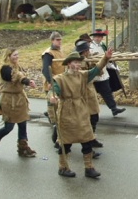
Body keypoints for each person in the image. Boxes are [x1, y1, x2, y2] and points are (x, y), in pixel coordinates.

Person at [50, 49, 113, 178]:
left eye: (79, 63)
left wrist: (105, 58)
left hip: (82, 111)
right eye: (75, 62)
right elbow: (54, 90)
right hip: (67, 112)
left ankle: (89, 168)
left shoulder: (83, 75)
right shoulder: (60, 78)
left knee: (87, 139)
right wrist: (53, 97)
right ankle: (63, 167)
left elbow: (96, 70)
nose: (78, 65)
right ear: (69, 64)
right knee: (66, 142)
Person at [0, 48, 37, 157]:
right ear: (8, 56)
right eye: (14, 55)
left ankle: (23, 148)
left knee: (22, 123)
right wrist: (27, 81)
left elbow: (20, 76)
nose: (16, 57)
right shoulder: (5, 68)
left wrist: (27, 81)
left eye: (17, 54)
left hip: (20, 99)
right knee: (9, 127)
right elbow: (13, 77)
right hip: (8, 100)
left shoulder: (18, 67)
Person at [89, 29, 126, 116]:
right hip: (95, 74)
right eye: (96, 37)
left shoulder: (103, 46)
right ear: (93, 37)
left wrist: (113, 66)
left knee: (107, 91)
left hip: (104, 74)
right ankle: (91, 111)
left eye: (100, 37)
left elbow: (107, 59)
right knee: (91, 94)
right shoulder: (90, 47)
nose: (98, 38)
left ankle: (113, 108)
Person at [75, 40, 103, 149]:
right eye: (87, 50)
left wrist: (95, 63)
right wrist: (94, 68)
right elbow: (84, 77)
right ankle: (60, 138)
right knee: (82, 120)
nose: (89, 52)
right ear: (84, 51)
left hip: (90, 91)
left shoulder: (87, 59)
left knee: (94, 116)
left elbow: (99, 72)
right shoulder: (77, 63)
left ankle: (92, 138)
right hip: (82, 92)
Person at [41, 31, 65, 124]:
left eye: (60, 40)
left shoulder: (60, 51)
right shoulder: (48, 53)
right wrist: (51, 81)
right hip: (51, 81)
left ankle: (55, 118)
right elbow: (46, 69)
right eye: (57, 40)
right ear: (52, 41)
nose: (59, 42)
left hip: (60, 80)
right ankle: (53, 121)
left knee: (59, 102)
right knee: (52, 102)